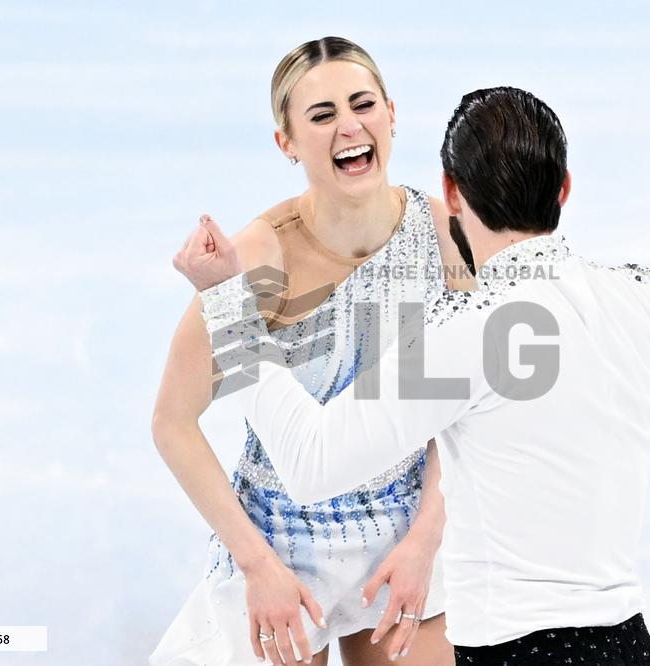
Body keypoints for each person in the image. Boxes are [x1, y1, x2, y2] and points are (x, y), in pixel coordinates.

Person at [177, 87, 650, 665]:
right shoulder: (641, 296)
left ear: (452, 193)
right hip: (633, 649)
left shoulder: (471, 329)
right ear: (564, 188)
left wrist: (230, 305)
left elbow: (310, 460)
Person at [150, 37, 473, 666]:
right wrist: (256, 566)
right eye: (322, 116)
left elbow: (459, 406)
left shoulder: (445, 236)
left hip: (405, 535)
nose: (349, 127)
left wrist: (427, 537)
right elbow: (172, 423)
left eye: (362, 105)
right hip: (282, 548)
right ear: (287, 142)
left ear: (391, 113)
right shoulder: (255, 260)